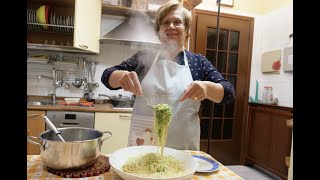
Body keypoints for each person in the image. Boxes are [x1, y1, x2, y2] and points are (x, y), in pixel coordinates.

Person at [101, 0, 235, 150]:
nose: (171, 26)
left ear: (187, 30)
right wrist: (121, 77)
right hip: (144, 146)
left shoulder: (198, 62)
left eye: (177, 22)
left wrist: (205, 87)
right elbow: (107, 76)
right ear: (159, 31)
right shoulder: (144, 57)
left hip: (183, 150)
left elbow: (228, 93)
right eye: (166, 23)